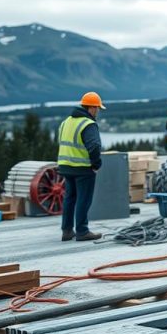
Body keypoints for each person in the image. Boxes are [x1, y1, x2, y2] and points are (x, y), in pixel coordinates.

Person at [57, 92, 105, 241]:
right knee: (84, 199)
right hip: (83, 168)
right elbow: (95, 146)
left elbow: (60, 141)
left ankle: (67, 231)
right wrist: (96, 164)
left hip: (65, 166)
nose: (98, 112)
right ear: (91, 108)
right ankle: (82, 231)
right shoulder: (88, 124)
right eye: (97, 108)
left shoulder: (66, 122)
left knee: (69, 198)